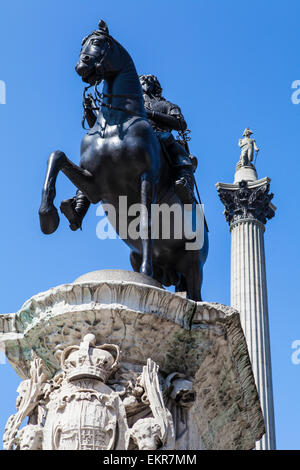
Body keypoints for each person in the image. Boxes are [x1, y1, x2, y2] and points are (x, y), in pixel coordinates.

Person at [60, 75, 196, 231]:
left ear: (153, 86)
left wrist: (150, 114)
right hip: (131, 140)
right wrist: (90, 112)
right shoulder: (129, 104)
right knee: (97, 158)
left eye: (145, 82)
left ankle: (185, 186)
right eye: (140, 82)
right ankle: (78, 210)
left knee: (176, 148)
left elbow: (180, 123)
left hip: (158, 136)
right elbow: (105, 129)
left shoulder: (166, 105)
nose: (142, 84)